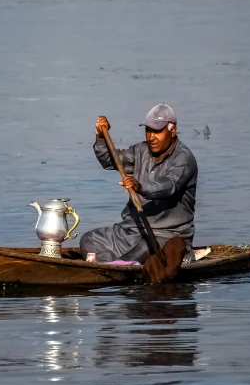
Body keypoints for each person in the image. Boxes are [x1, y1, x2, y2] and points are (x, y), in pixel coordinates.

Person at [80, 103, 198, 264]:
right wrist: (101, 138)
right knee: (89, 240)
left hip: (167, 235)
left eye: (157, 131)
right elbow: (110, 161)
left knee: (143, 249)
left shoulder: (183, 159)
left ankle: (117, 266)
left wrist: (140, 187)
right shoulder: (140, 150)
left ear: (173, 131)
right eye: (148, 130)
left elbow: (169, 185)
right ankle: (113, 265)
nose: (151, 137)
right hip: (132, 229)